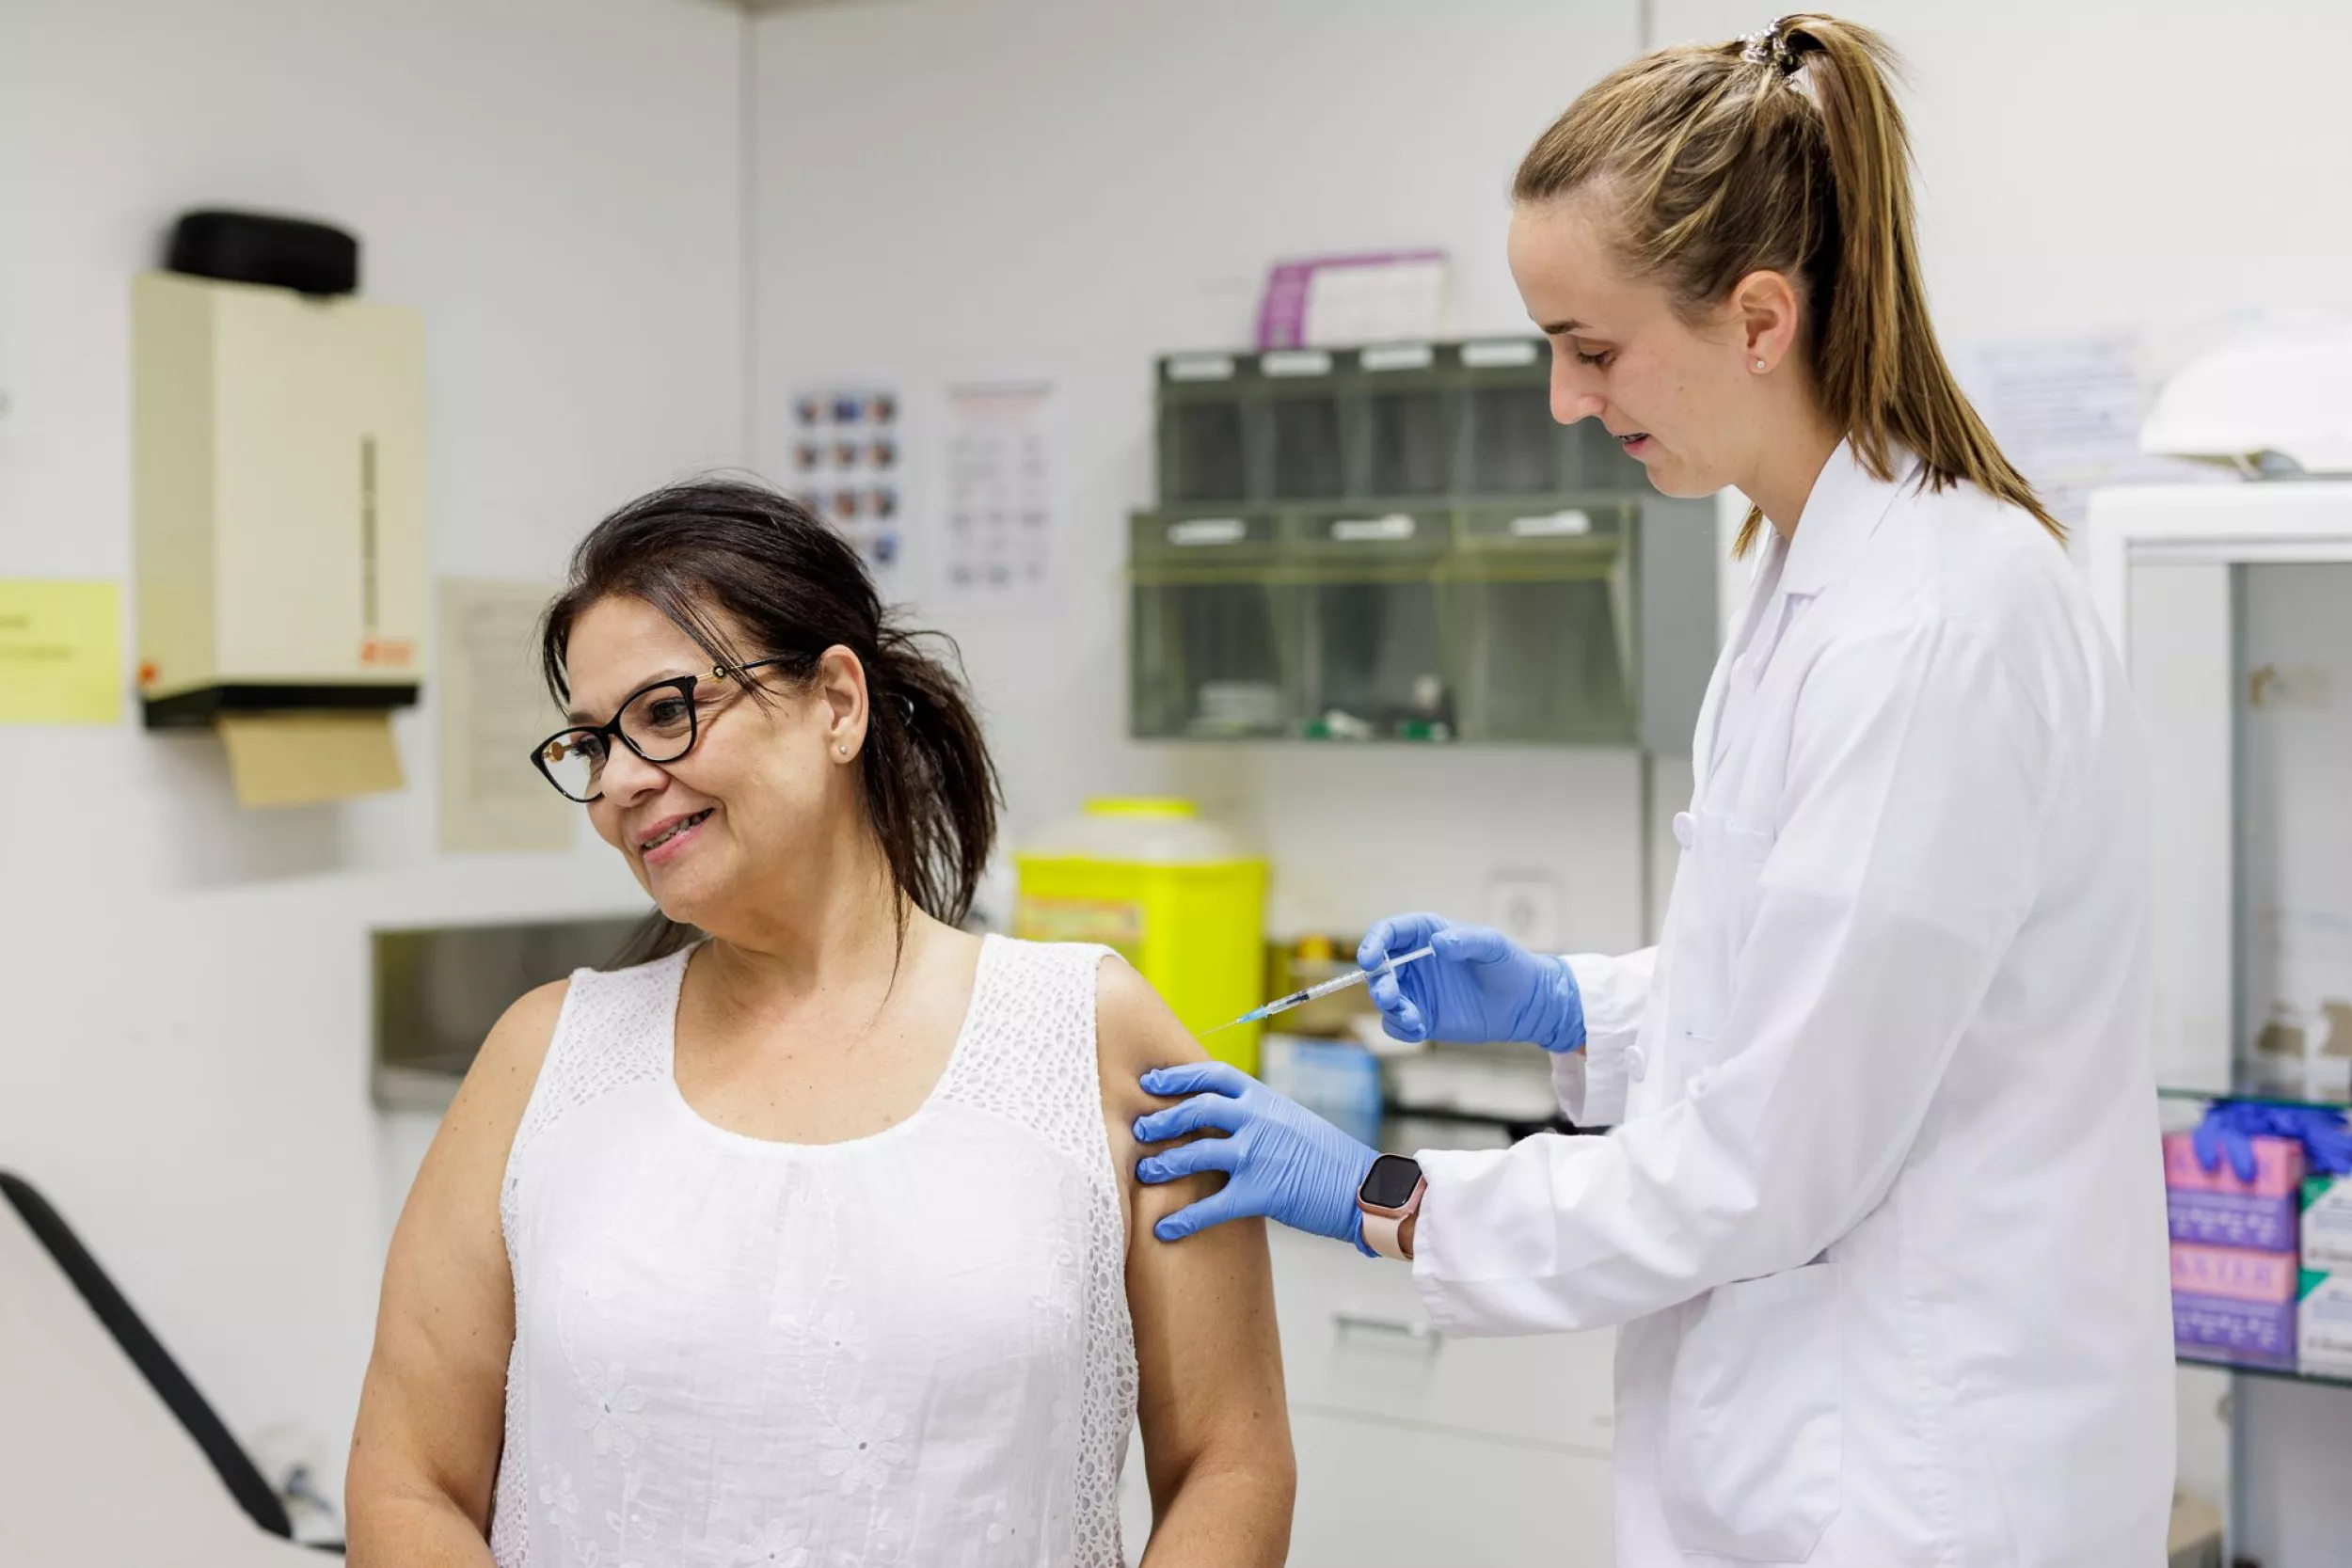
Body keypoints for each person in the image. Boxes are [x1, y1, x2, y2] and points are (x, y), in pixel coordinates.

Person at [1136, 15, 2170, 1565]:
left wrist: (1387, 1194)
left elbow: (1771, 1157)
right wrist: (1572, 1004)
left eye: (1592, 347)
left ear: (1761, 316)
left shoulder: (1934, 628)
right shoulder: (1807, 570)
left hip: (1921, 1482)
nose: (1564, 399)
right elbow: (1807, 986)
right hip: (1799, 1449)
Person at [347, 482, 1293, 1567]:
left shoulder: (1089, 1035)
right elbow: (408, 1477)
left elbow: (1233, 1461)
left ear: (837, 701)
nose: (618, 782)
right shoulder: (544, 1058)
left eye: (664, 711)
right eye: (590, 744)